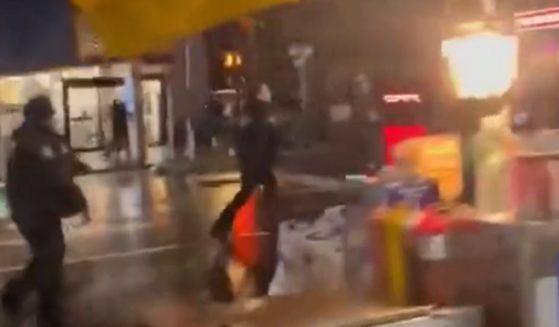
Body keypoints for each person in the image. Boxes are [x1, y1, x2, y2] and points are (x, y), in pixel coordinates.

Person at [2, 96, 80, 327]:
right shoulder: (39, 142)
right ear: (45, 116)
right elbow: (56, 175)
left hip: (29, 210)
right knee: (51, 255)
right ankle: (48, 310)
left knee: (47, 254)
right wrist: (74, 202)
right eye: (50, 114)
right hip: (38, 211)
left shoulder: (25, 140)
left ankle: (16, 294)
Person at [210, 86, 278, 242]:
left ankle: (269, 222)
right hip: (255, 165)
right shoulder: (257, 120)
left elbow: (264, 142)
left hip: (258, 165)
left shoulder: (256, 119)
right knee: (246, 195)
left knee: (266, 191)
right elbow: (254, 142)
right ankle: (221, 225)